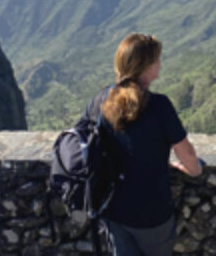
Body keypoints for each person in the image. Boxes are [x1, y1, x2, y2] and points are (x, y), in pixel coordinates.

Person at [85, 33, 202, 256]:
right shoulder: (159, 106)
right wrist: (194, 170)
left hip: (112, 209)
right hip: (151, 215)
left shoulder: (101, 100)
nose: (160, 63)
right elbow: (186, 154)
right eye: (156, 59)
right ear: (146, 67)